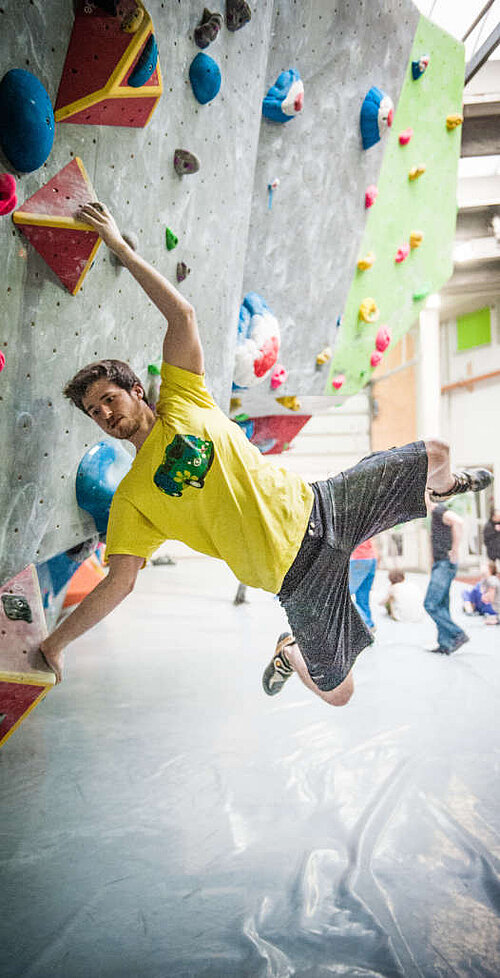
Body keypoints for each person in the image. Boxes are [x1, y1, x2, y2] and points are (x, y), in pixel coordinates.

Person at [39, 202, 492, 706]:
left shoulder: (184, 397)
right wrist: (55, 644)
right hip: (296, 577)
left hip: (324, 506)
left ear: (136, 392)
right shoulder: (132, 500)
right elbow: (117, 584)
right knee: (338, 693)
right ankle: (290, 652)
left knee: (437, 451)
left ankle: (445, 487)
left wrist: (120, 247)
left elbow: (181, 314)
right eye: (93, 412)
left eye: (109, 398)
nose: (104, 413)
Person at [423, 503, 469, 655]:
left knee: (430, 604)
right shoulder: (434, 514)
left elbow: (458, 521)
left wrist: (455, 550)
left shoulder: (438, 510)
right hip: (441, 564)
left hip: (444, 563)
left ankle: (456, 634)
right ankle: (445, 644)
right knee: (442, 604)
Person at [349, 538, 377, 631]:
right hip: (371, 557)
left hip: (358, 558)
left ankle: (366, 625)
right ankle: (370, 625)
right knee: (363, 597)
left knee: (344, 595)